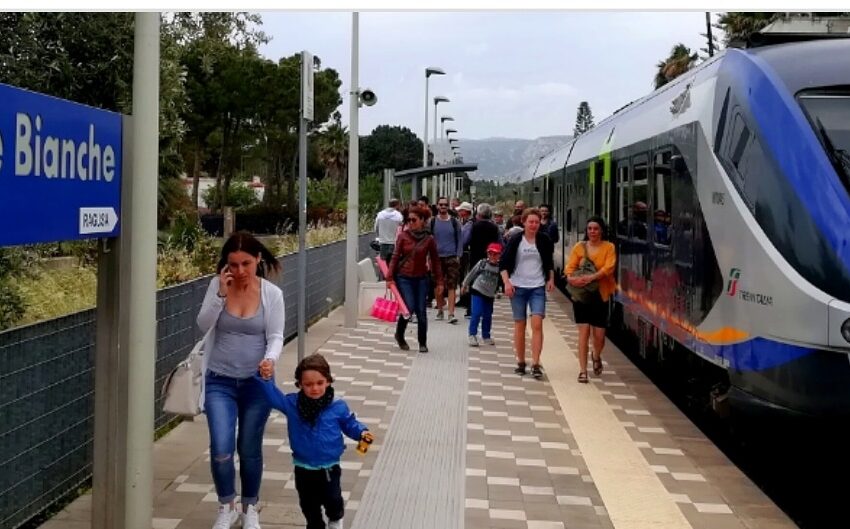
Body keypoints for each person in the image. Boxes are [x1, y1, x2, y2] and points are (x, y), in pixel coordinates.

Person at [196, 231, 285, 529]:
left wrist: (270, 360)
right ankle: (226, 505)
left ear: (258, 259)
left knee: (249, 448)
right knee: (221, 448)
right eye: (233, 265)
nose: (240, 271)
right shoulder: (217, 286)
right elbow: (203, 325)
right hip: (219, 381)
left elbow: (274, 336)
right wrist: (221, 295)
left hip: (256, 383)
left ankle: (250, 508)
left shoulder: (272, 294)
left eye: (246, 263)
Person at [256, 354, 373, 529]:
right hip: (303, 466)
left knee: (332, 498)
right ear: (300, 384)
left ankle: (335, 519)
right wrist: (266, 379)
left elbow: (349, 423)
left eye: (319, 383)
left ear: (328, 381)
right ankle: (315, 525)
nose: (315, 388)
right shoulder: (292, 404)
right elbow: (273, 397)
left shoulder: (337, 405)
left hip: (330, 466)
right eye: (308, 384)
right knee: (308, 504)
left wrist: (362, 432)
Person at [499, 208, 555, 380]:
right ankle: (521, 361)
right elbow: (504, 263)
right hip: (518, 287)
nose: (533, 225)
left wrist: (550, 279)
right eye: (530, 222)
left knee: (537, 323)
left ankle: (536, 363)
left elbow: (549, 261)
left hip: (537, 286)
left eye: (537, 222)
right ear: (523, 222)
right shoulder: (516, 240)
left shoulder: (544, 240)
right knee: (520, 325)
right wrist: (507, 282)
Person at [565, 216, 617, 384]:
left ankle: (596, 355)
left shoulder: (609, 247)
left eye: (595, 228)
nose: (592, 232)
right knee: (583, 333)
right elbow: (570, 268)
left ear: (601, 230)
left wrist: (593, 277)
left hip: (600, 294)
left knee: (599, 336)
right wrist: (571, 279)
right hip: (581, 295)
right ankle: (582, 370)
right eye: (590, 229)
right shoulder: (579, 247)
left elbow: (609, 267)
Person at [387, 205, 443, 353]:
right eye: (408, 220)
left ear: (423, 220)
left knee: (421, 311)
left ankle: (422, 342)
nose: (410, 223)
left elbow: (435, 261)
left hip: (421, 278)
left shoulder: (429, 239)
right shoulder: (403, 236)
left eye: (414, 220)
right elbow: (395, 256)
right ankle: (400, 334)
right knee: (409, 307)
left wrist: (439, 282)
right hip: (404, 277)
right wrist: (389, 277)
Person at [462, 242, 502, 347]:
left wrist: (501, 290)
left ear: (499, 255)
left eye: (495, 254)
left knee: (488, 315)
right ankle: (472, 334)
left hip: (490, 294)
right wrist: (465, 284)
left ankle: (486, 335)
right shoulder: (482, 263)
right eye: (490, 254)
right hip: (477, 290)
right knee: (476, 313)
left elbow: (502, 280)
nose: (492, 256)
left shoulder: (501, 267)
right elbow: (472, 273)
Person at [430, 197, 462, 324]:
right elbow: (428, 240)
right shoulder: (432, 222)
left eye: (445, 205)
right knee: (438, 285)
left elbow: (460, 239)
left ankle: (451, 313)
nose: (443, 207)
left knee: (452, 285)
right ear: (437, 206)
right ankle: (440, 310)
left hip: (452, 257)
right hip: (436, 257)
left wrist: (458, 255)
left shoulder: (455, 222)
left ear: (448, 206)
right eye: (440, 205)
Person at [374, 198, 403, 263]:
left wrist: (380, 236)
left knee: (384, 262)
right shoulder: (398, 215)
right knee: (393, 262)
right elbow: (402, 228)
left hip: (383, 242)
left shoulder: (380, 214)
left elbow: (376, 228)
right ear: (397, 205)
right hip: (394, 243)